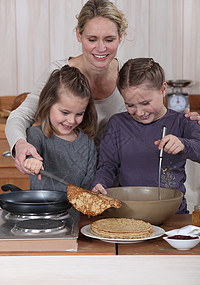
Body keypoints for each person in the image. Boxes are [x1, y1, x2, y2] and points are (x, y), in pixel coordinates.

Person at [5, 0, 200, 175]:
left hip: (115, 183)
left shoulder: (128, 77)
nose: (101, 48)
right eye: (92, 39)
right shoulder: (59, 75)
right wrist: (20, 145)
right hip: (66, 178)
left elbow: (153, 115)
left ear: (120, 37)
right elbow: (20, 116)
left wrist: (187, 123)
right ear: (78, 34)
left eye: (109, 39)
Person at [91, 58, 200, 213]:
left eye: (145, 103)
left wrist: (184, 144)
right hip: (128, 213)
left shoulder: (183, 122)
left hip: (173, 215)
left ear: (163, 90)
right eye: (130, 105)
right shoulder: (117, 124)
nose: (140, 112)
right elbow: (107, 166)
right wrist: (99, 184)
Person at [23, 65, 97, 192]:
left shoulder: (88, 143)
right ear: (48, 104)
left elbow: (87, 187)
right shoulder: (36, 135)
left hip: (76, 212)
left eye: (79, 114)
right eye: (65, 112)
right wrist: (31, 161)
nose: (71, 121)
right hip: (42, 211)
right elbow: (30, 155)